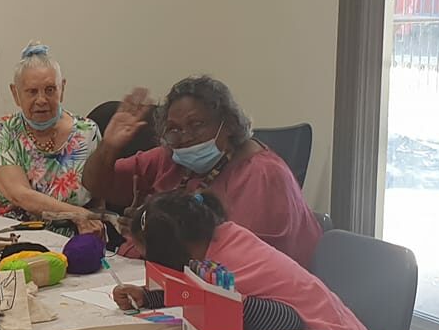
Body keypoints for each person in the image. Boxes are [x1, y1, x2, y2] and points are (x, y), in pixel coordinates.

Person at [81, 75, 321, 267]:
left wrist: (152, 235)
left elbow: (238, 263)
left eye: (196, 125)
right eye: (174, 129)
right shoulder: (172, 156)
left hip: (256, 302)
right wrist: (109, 146)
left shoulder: (263, 175)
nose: (184, 137)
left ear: (227, 125)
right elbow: (96, 184)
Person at [112, 190, 380, 330]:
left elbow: (286, 317)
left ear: (169, 252)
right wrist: (149, 298)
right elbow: (195, 292)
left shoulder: (231, 262)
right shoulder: (219, 238)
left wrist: (222, 307)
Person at [0, 42, 103, 232]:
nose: (41, 100)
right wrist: (77, 214)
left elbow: (98, 196)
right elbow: (21, 196)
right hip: (14, 237)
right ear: (15, 93)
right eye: (32, 91)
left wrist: (94, 228)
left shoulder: (87, 132)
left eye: (50, 90)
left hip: (72, 239)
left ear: (62, 89)